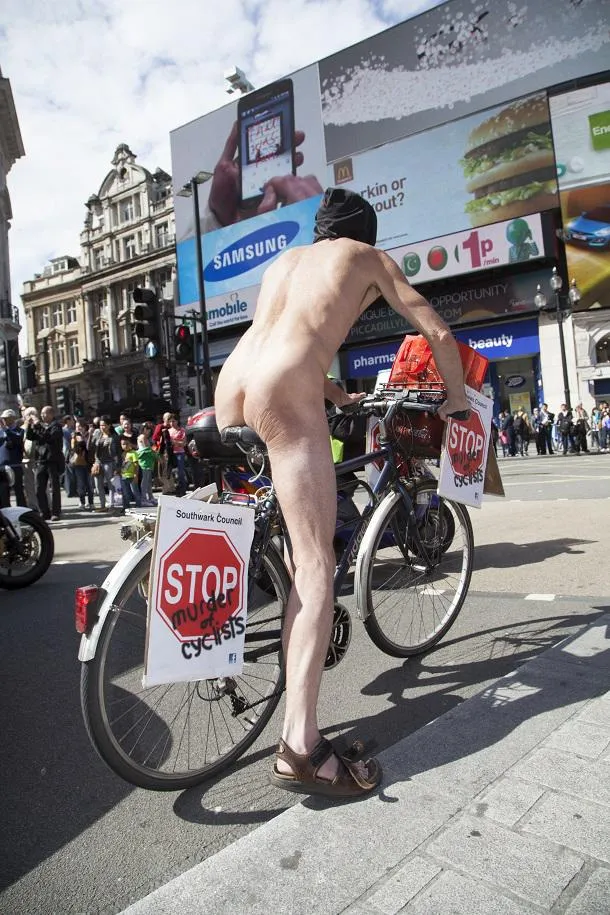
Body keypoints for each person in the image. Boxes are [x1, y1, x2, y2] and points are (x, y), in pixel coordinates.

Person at [214, 187, 469, 798]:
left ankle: (224, 615)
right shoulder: (365, 256)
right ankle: (299, 746)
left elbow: (280, 339)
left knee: (241, 541)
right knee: (316, 562)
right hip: (284, 390)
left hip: (231, 387)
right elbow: (434, 328)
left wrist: (337, 396)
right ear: (364, 232)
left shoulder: (284, 264)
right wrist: (456, 401)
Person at [25, 405, 64, 521]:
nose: (42, 416)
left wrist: (37, 425)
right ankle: (44, 511)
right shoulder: (39, 426)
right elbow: (30, 437)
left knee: (54, 488)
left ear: (51, 414)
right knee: (39, 488)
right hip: (41, 460)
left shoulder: (56, 426)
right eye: (41, 413)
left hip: (52, 461)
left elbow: (49, 437)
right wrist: (30, 425)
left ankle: (55, 512)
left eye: (44, 413)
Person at [92, 416, 121, 512]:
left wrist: (118, 467)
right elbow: (91, 448)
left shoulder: (114, 437)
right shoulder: (97, 435)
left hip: (110, 462)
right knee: (98, 485)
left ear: (109, 425)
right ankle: (102, 505)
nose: (102, 427)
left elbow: (118, 452)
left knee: (110, 484)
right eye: (100, 425)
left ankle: (111, 504)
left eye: (104, 425)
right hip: (98, 462)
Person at [0, 409, 26, 507]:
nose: (4, 420)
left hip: (15, 465)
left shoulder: (19, 431)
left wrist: (6, 430)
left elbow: (18, 439)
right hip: (2, 466)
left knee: (18, 490)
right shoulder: (1, 431)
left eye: (6, 418)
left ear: (12, 418)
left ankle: (22, 512)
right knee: (3, 492)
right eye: (3, 419)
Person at [71, 420, 94, 511]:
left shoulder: (89, 436)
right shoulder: (74, 437)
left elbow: (90, 448)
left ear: (84, 427)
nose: (78, 428)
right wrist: (80, 442)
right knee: (81, 484)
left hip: (89, 463)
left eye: (80, 426)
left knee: (89, 484)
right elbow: (75, 450)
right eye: (76, 427)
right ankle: (82, 502)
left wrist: (88, 437)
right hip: (79, 463)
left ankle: (91, 502)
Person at [137, 426, 158, 506]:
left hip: (148, 461)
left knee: (148, 481)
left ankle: (150, 497)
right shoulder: (142, 437)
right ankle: (143, 499)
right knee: (145, 481)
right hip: (145, 462)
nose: (148, 431)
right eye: (147, 429)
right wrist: (155, 454)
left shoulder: (144, 437)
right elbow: (147, 449)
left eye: (149, 429)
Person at [119, 436, 141, 509]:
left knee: (135, 491)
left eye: (127, 444)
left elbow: (136, 465)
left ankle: (138, 505)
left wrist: (135, 474)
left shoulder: (133, 453)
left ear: (130, 444)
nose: (125, 446)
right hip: (123, 476)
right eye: (123, 444)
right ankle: (125, 507)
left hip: (132, 476)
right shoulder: (122, 454)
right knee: (125, 493)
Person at [167, 415, 187, 495]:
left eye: (173, 421)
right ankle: (175, 488)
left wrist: (174, 442)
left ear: (177, 421)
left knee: (180, 472)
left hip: (180, 453)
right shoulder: (168, 431)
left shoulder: (181, 430)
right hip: (171, 453)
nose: (172, 423)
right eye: (170, 421)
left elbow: (184, 443)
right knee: (172, 472)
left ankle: (182, 489)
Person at [62, 415, 77, 497]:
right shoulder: (64, 430)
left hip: (71, 453)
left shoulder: (71, 430)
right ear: (67, 421)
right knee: (69, 473)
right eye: (72, 420)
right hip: (67, 453)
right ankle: (70, 491)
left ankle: (73, 490)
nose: (73, 422)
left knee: (71, 472)